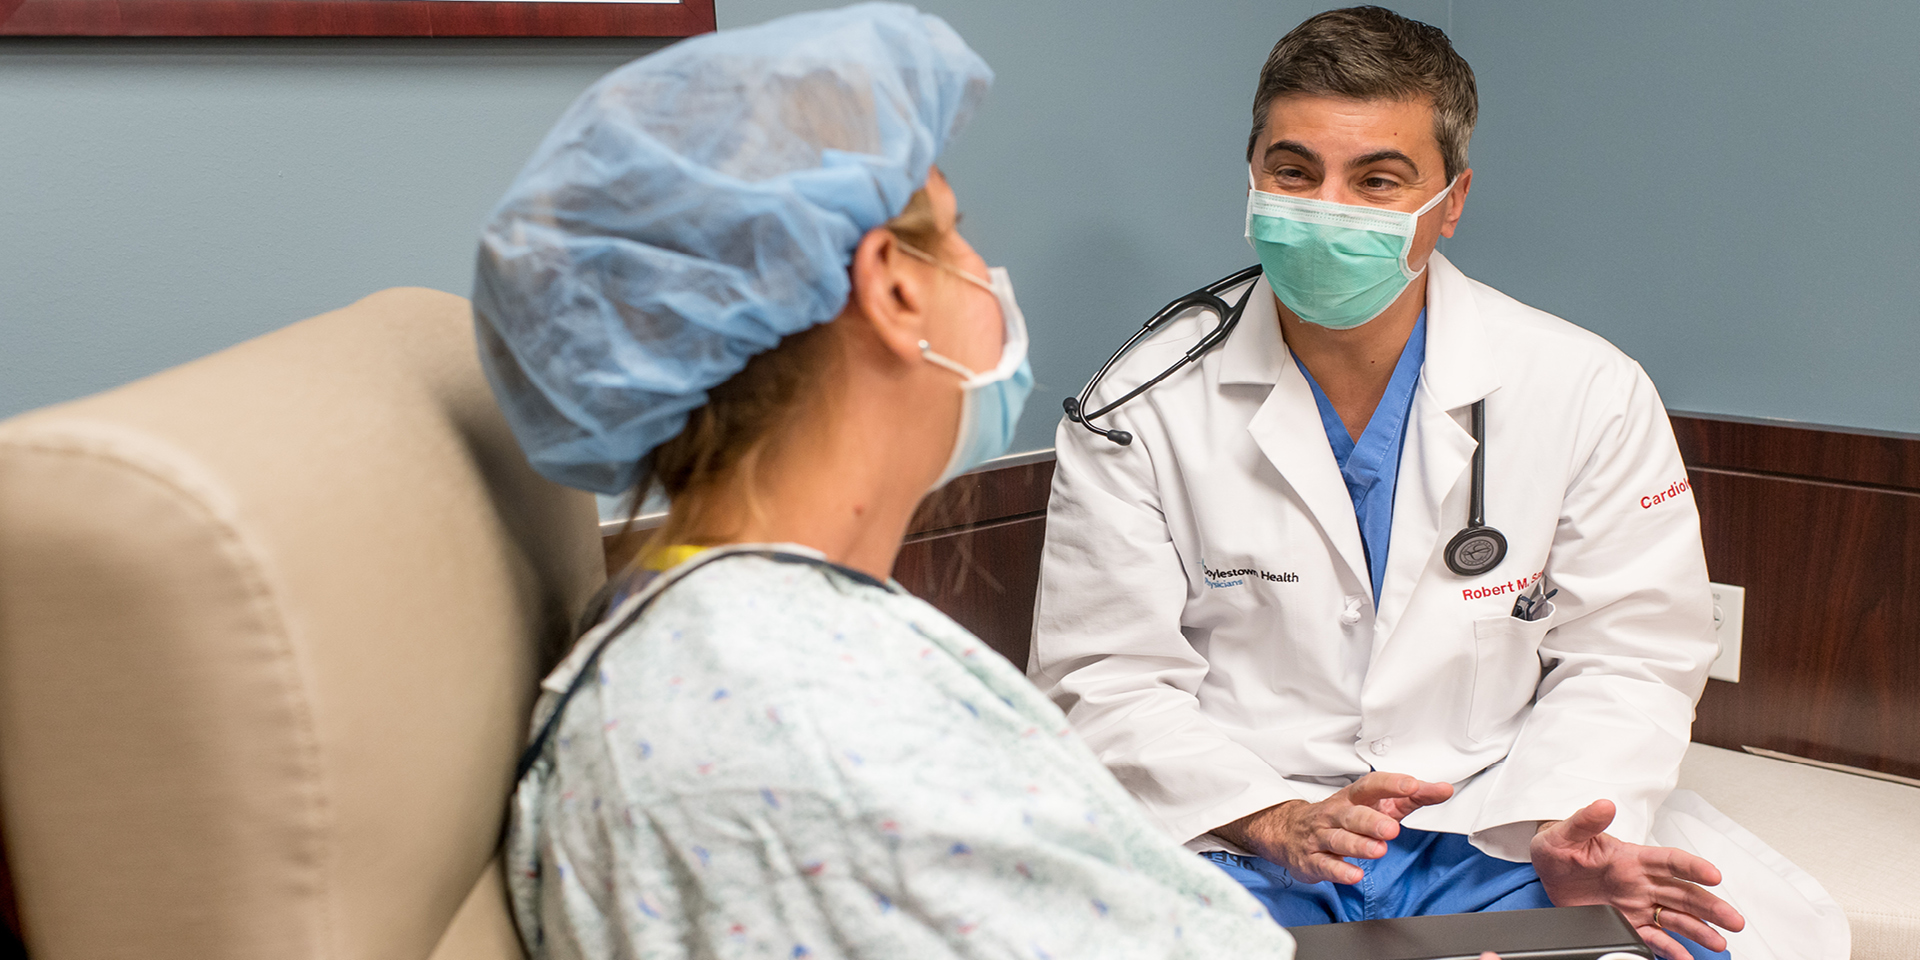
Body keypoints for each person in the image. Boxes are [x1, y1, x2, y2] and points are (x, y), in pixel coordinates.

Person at [472, 6, 1299, 958]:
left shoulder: (723, 634)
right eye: (953, 233)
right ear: (893, 288)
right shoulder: (806, 713)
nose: (983, 274)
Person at [1030, 7, 1846, 960]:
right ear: (1251, 174)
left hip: (1493, 826)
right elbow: (1104, 674)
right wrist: (1273, 817)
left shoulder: (1583, 387)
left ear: (1450, 201)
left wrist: (1562, 822)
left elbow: (1630, 651)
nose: (1328, 207)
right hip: (1242, 834)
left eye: (1377, 179)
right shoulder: (1135, 405)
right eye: (1294, 171)